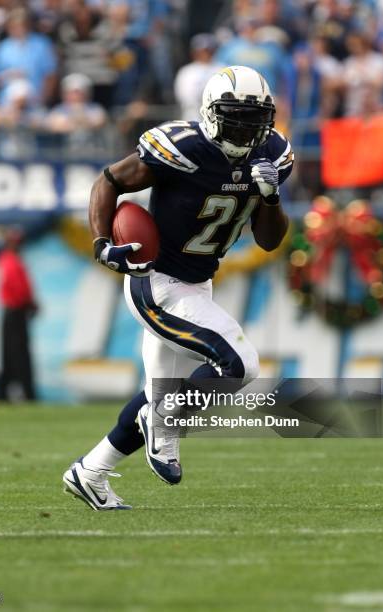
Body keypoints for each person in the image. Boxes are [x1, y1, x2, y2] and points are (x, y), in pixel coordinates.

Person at [63, 65, 294, 510]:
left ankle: (90, 471)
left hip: (197, 282)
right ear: (210, 112)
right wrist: (101, 243)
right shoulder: (182, 147)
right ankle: (163, 419)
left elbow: (268, 239)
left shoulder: (273, 153)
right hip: (156, 281)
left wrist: (270, 197)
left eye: (255, 118)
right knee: (240, 366)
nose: (247, 128)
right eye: (235, 116)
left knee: (159, 391)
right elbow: (109, 182)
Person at [0, 229, 38, 402]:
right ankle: (25, 394)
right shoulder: (11, 261)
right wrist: (31, 303)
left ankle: (4, 393)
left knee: (10, 353)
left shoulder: (6, 260)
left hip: (12, 312)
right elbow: (19, 290)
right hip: (15, 312)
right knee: (19, 354)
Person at [174, 33, 222, 121]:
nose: (204, 54)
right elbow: (186, 98)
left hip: (216, 118)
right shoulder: (186, 71)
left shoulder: (222, 69)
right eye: (201, 51)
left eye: (208, 50)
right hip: (192, 118)